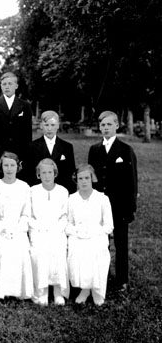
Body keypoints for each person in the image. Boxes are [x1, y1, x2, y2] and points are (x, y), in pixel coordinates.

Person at [88, 110, 138, 291]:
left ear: (117, 125)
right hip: (100, 205)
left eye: (109, 124)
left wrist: (130, 208)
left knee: (121, 243)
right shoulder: (94, 150)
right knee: (102, 243)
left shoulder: (125, 150)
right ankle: (103, 275)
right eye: (103, 125)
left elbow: (132, 181)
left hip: (119, 205)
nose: (106, 128)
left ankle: (122, 279)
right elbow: (91, 177)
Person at [0, 152, 34, 303]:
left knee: (22, 250)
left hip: (18, 229)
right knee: (2, 251)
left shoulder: (24, 187)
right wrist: (0, 228)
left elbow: (26, 213)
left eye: (12, 165)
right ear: (1, 167)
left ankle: (20, 291)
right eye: (6, 165)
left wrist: (17, 229)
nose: (9, 169)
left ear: (18, 167)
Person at [66, 164, 113, 306]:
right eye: (80, 178)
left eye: (87, 178)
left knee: (95, 251)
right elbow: (68, 223)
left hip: (96, 235)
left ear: (92, 178)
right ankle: (85, 289)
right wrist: (77, 232)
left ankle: (97, 291)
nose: (84, 181)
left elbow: (109, 226)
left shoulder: (102, 199)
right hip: (78, 236)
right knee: (78, 250)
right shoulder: (72, 199)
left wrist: (94, 232)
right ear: (76, 180)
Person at [29, 158, 69, 306]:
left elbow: (65, 215)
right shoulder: (32, 191)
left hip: (57, 230)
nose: (47, 176)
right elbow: (29, 215)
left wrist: (57, 228)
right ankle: (42, 291)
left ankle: (58, 292)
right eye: (43, 172)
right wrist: (38, 227)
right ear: (38, 174)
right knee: (39, 253)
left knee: (58, 251)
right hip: (38, 230)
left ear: (55, 173)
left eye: (50, 172)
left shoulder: (62, 191)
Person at [0, 72, 33, 180]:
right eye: (4, 84)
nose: (7, 86)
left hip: (19, 157)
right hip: (0, 157)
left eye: (10, 84)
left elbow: (27, 135)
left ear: (16, 86)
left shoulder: (25, 106)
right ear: (1, 86)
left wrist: (24, 158)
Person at [28, 111, 75, 193]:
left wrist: (70, 194)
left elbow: (70, 174)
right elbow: (29, 173)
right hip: (39, 191)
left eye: (53, 125)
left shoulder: (67, 147)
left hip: (60, 191)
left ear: (58, 125)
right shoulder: (32, 147)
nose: (49, 129)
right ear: (41, 126)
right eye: (46, 125)